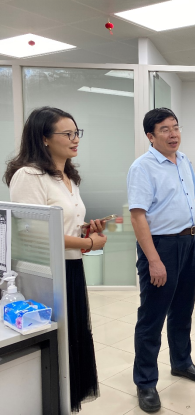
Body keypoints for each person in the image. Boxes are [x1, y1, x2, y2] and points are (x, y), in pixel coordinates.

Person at [4, 106, 106, 412]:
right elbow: (34, 234)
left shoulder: (68, 176)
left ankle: (67, 402)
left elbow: (62, 225)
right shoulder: (29, 175)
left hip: (71, 268)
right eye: (68, 134)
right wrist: (88, 242)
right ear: (44, 138)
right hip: (45, 274)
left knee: (74, 337)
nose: (76, 139)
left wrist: (86, 230)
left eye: (77, 133)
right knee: (56, 342)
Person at [127, 108, 195, 414]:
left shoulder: (184, 160)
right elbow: (137, 216)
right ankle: (146, 382)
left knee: (183, 309)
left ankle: (181, 362)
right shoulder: (142, 167)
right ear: (150, 136)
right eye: (165, 129)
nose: (173, 134)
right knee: (152, 315)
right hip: (161, 245)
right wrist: (153, 259)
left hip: (189, 242)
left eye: (175, 127)